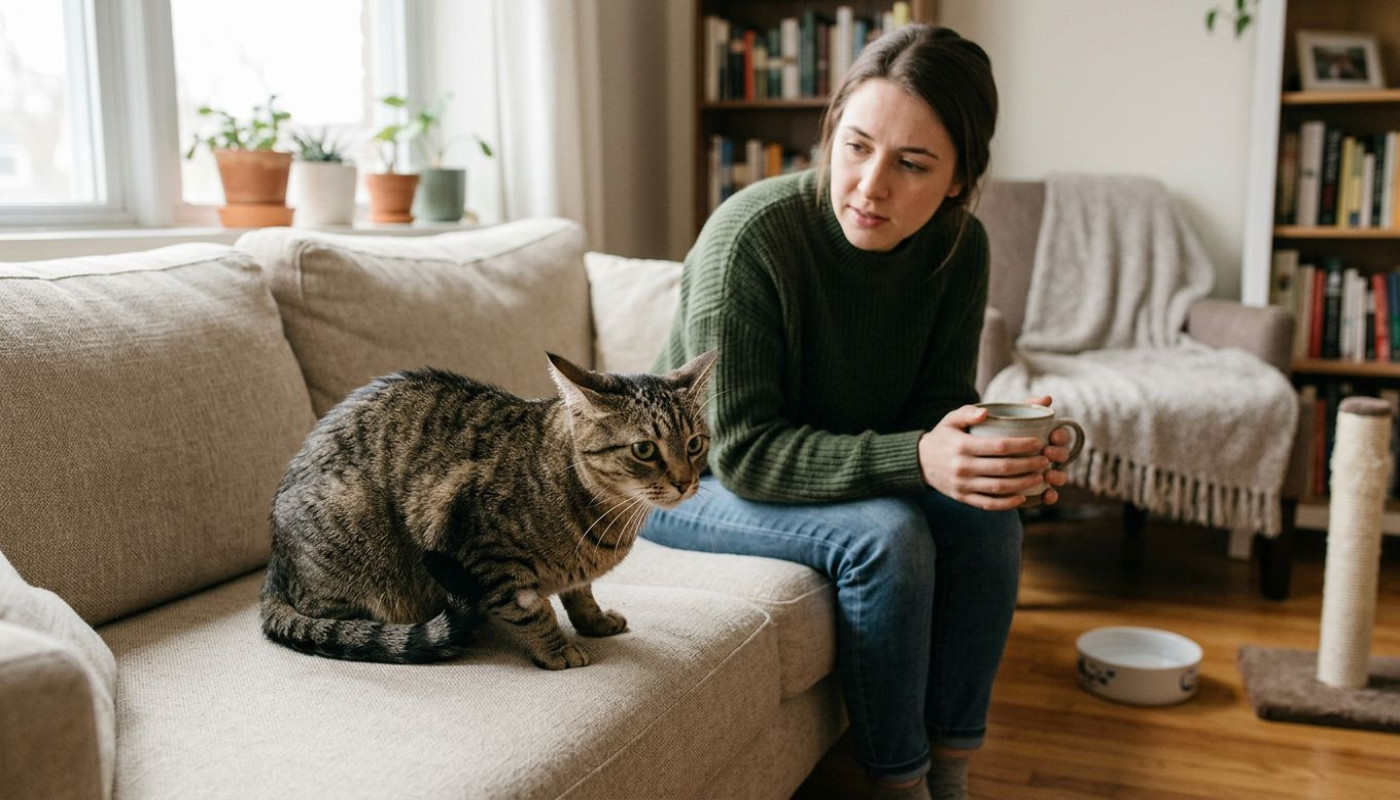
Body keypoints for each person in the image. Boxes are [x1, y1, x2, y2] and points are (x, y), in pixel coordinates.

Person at [642, 24, 1072, 800]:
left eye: (911, 164)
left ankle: (950, 772)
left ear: (957, 180)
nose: (870, 185)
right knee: (888, 536)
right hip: (685, 482)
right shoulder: (754, 238)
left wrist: (995, 458)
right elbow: (742, 452)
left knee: (986, 520)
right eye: (856, 145)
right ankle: (898, 785)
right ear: (831, 131)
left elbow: (935, 406)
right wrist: (917, 460)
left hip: (794, 463)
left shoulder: (958, 248)